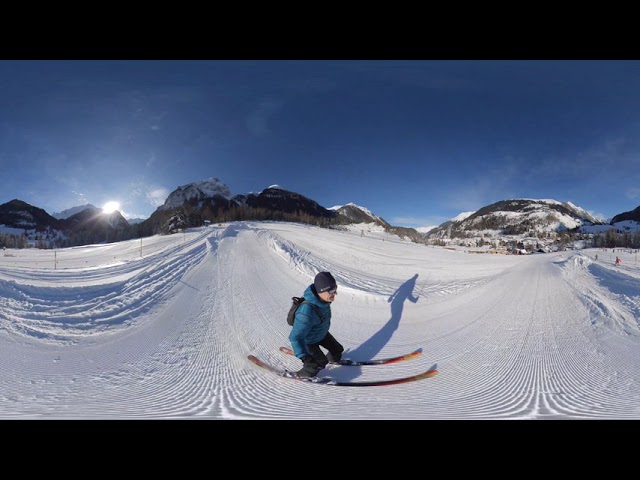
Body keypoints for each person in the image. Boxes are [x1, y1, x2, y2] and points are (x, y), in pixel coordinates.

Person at [288, 271, 344, 378]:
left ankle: (332, 360)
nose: (335, 293)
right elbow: (295, 337)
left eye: (335, 289)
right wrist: (304, 356)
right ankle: (304, 375)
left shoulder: (324, 301)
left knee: (337, 350)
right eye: (331, 290)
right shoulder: (306, 313)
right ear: (321, 291)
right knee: (318, 364)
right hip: (308, 341)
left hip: (320, 334)